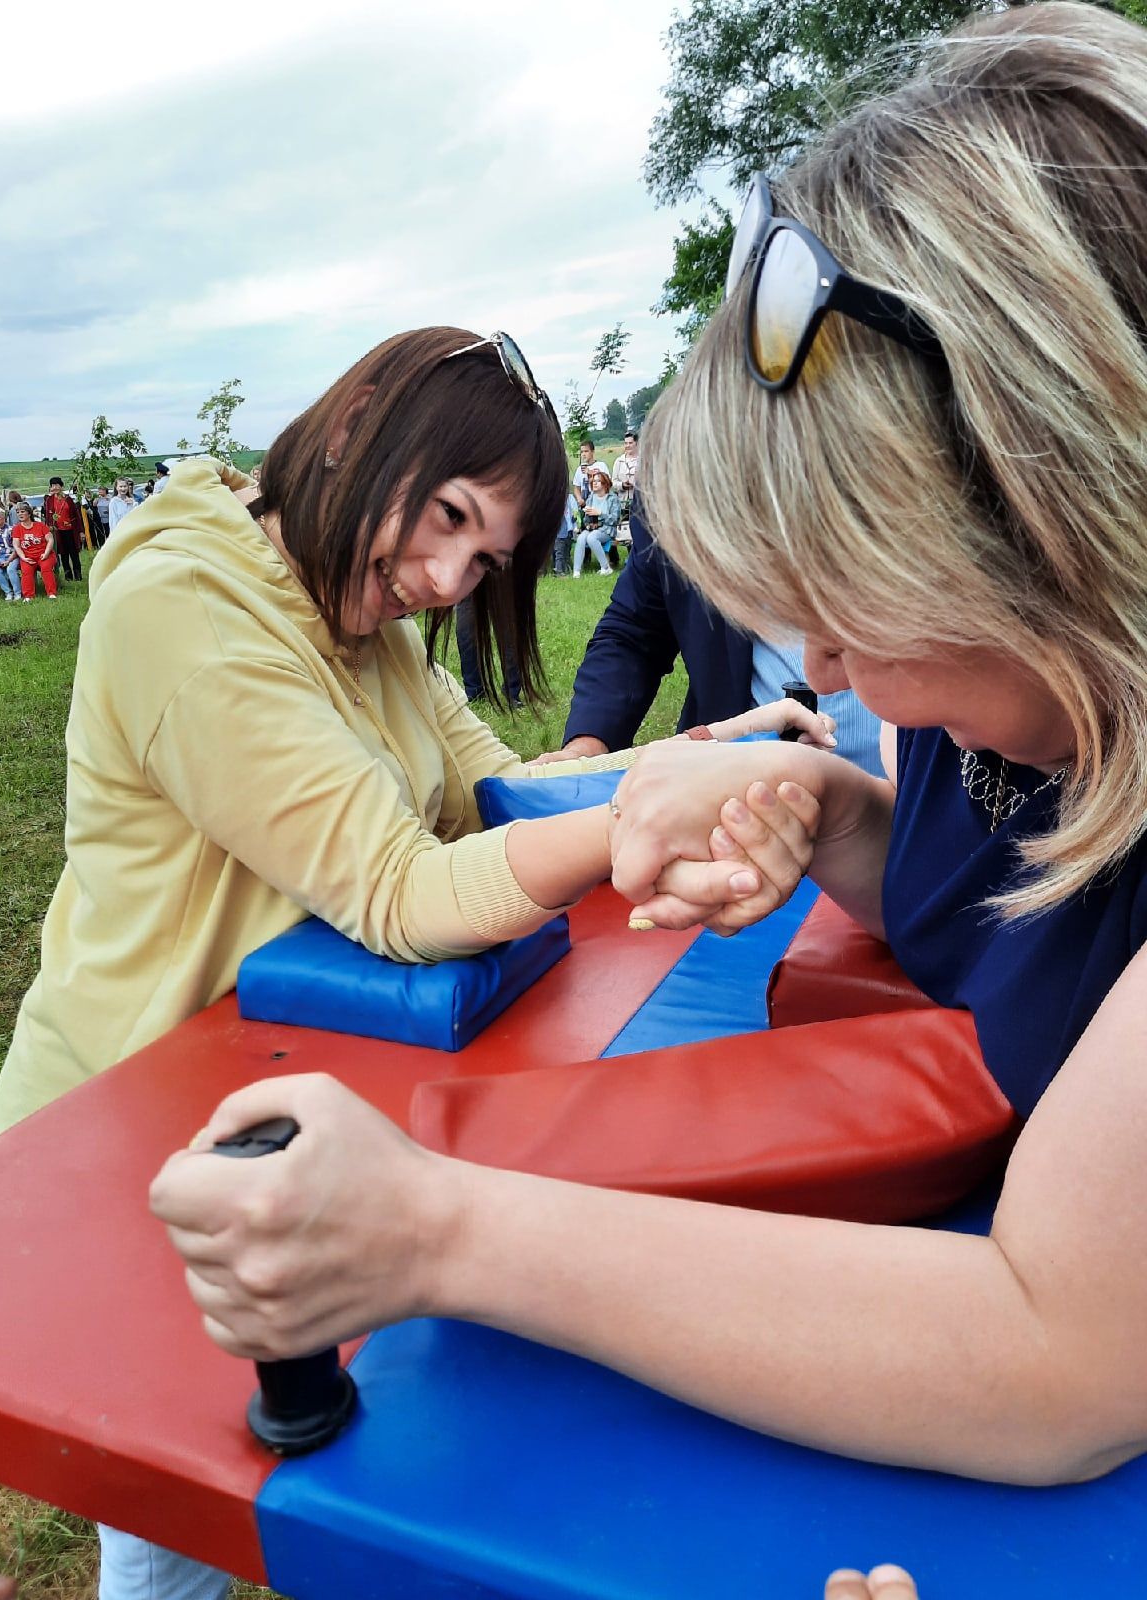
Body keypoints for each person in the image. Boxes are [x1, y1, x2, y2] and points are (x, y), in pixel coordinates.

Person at [154, 2, 1147, 1507]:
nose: (824, 669)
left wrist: (439, 1231)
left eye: (853, 607)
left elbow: (1060, 1357)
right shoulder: (1016, 707)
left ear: (1059, 538)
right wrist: (826, 809)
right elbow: (1002, 914)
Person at [0, 326, 832, 1600]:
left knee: (280, 1459)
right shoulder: (184, 609)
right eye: (444, 517)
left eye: (482, 557)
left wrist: (692, 753)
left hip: (272, 1095)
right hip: (122, 1130)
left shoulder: (365, 618)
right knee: (181, 1512)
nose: (445, 577)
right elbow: (401, 888)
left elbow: (499, 796)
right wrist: (644, 819)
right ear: (358, 420)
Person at [537, 506, 885, 777]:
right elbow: (634, 631)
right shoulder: (679, 472)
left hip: (923, 802)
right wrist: (589, 746)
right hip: (746, 804)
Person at [572, 465, 617, 577]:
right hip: (593, 528)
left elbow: (615, 519)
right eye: (593, 481)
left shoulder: (612, 498)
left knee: (592, 538)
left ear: (605, 483)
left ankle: (606, 567)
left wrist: (600, 513)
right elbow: (587, 519)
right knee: (582, 537)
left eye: (598, 481)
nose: (595, 483)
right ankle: (576, 572)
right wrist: (587, 516)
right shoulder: (591, 497)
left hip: (607, 529)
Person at [11, 500, 57, 600]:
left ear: (29, 513)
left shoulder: (40, 525)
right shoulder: (17, 529)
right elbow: (17, 546)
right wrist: (23, 557)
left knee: (46, 568)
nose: (20, 514)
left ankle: (51, 593)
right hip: (27, 556)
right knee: (26, 571)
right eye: (18, 512)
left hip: (44, 554)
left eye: (22, 511)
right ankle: (28, 596)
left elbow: (50, 540)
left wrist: (46, 553)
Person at [42, 477, 82, 582]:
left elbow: (76, 516)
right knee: (63, 553)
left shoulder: (68, 499)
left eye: (57, 485)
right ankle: (68, 576)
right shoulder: (49, 500)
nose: (55, 487)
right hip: (58, 531)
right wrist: (49, 526)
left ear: (61, 486)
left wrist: (81, 531)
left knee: (74, 553)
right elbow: (47, 516)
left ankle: (78, 576)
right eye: (52, 485)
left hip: (70, 530)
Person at [0, 507, 21, 602]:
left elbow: (16, 547)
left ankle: (17, 593)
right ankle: (8, 592)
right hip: (1, 556)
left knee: (11, 569)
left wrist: (8, 560)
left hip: (14, 555)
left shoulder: (11, 529)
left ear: (4, 517)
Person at [612, 429, 638, 523]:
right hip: (622, 503)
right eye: (626, 443)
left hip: (638, 503)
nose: (628, 446)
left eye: (630, 443)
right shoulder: (619, 461)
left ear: (636, 443)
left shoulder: (642, 461)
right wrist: (622, 485)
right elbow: (613, 483)